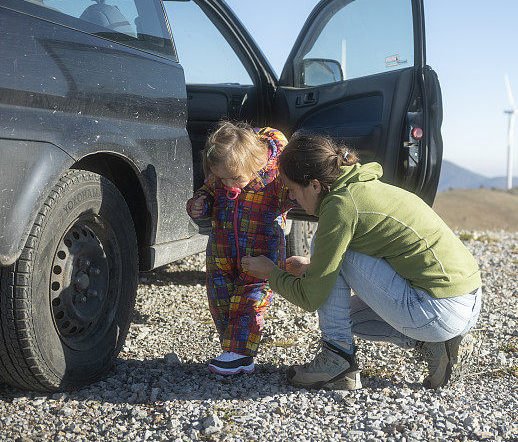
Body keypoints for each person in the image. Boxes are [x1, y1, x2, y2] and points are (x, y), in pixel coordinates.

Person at [241, 133, 482, 390]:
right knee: (349, 318)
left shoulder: (341, 207)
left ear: (314, 185)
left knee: (332, 251)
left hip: (439, 311)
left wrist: (270, 272)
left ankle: (337, 360)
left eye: (292, 189)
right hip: (466, 302)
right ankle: (433, 343)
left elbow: (311, 298)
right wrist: (315, 267)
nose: (291, 198)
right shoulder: (359, 186)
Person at [187, 121, 293, 375]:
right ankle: (233, 349)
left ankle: (241, 354)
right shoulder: (223, 177)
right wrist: (200, 203)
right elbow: (208, 191)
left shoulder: (274, 179)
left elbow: (294, 195)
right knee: (220, 300)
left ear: (255, 164)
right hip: (221, 253)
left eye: (235, 178)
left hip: (261, 255)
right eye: (221, 178)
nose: (229, 184)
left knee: (250, 300)